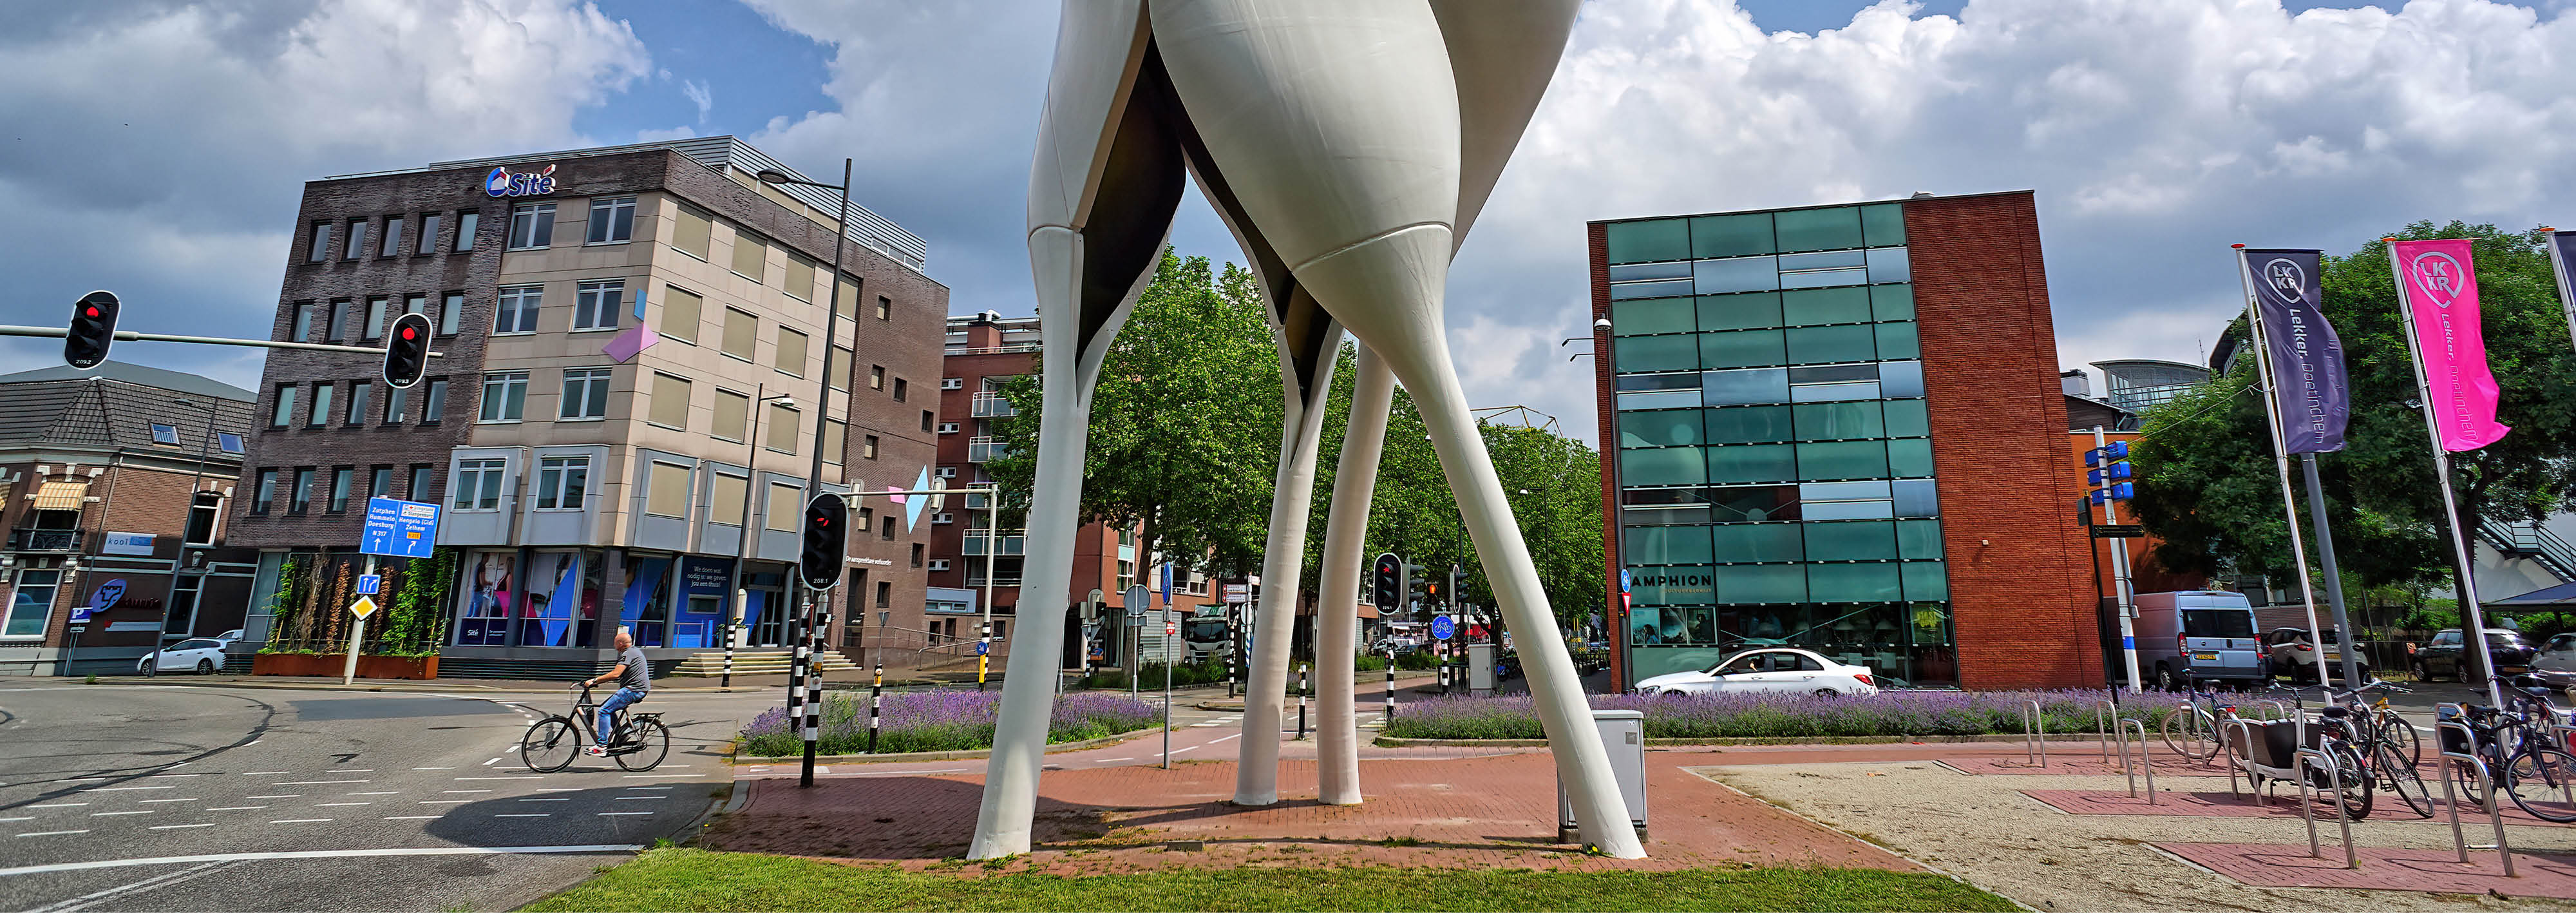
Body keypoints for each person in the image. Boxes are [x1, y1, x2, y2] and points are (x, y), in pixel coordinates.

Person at [581, 628, 650, 757]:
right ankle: (621, 736)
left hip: (634, 690)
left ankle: (602, 746)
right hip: (636, 689)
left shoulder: (628, 653)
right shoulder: (634, 651)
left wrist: (594, 680)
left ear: (620, 644)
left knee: (604, 710)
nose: (614, 646)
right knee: (608, 707)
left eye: (615, 643)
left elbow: (616, 674)